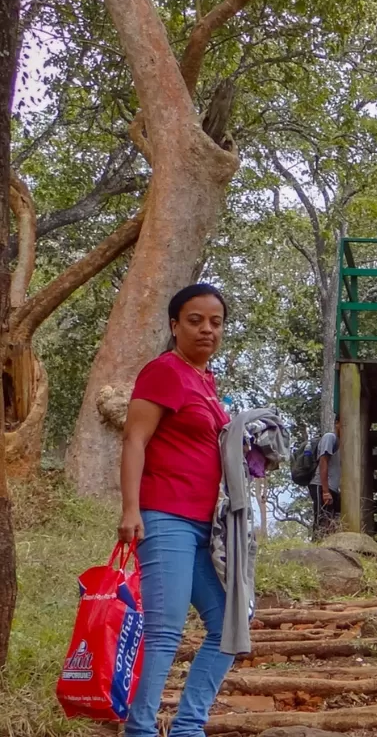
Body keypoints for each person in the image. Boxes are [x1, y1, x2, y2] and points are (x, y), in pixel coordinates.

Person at [120, 283, 234, 737]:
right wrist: (131, 510)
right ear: (174, 325)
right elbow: (134, 440)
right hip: (165, 516)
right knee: (165, 631)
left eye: (216, 322)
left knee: (231, 622)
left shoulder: (205, 381)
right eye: (195, 320)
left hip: (206, 524)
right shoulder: (164, 371)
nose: (207, 329)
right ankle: (141, 730)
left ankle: (189, 727)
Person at [311, 416, 341, 537]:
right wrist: (325, 491)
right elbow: (323, 461)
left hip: (333, 488)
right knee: (322, 519)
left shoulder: (343, 443)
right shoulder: (330, 437)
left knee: (331, 520)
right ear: (337, 423)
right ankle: (317, 547)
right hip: (321, 485)